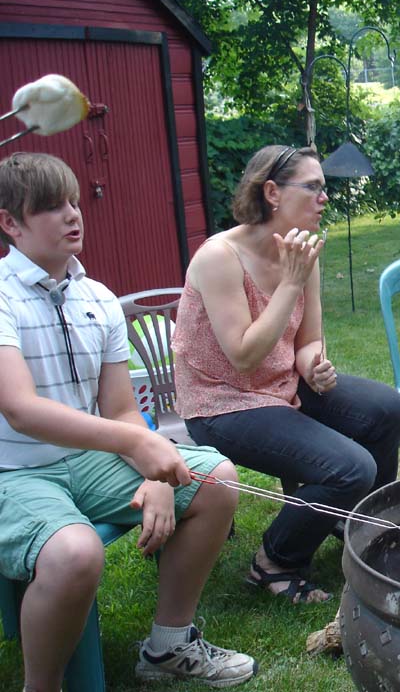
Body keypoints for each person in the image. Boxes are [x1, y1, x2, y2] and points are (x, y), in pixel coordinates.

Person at [0, 152, 256, 690]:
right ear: (10, 223)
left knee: (215, 479)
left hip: (88, 461)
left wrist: (155, 475)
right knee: (75, 552)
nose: (73, 214)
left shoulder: (96, 299)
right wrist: (136, 445)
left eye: (74, 202)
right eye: (51, 206)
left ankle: (168, 647)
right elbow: (20, 410)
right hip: (15, 471)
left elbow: (120, 409)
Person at [172, 145, 400, 604]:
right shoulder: (219, 257)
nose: (325, 197)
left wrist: (313, 366)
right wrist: (292, 281)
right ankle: (275, 561)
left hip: (282, 384)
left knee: (387, 409)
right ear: (272, 193)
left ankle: (355, 525)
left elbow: (308, 339)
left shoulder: (302, 250)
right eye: (313, 187)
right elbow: (244, 355)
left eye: (324, 188)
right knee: (350, 468)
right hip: (222, 402)